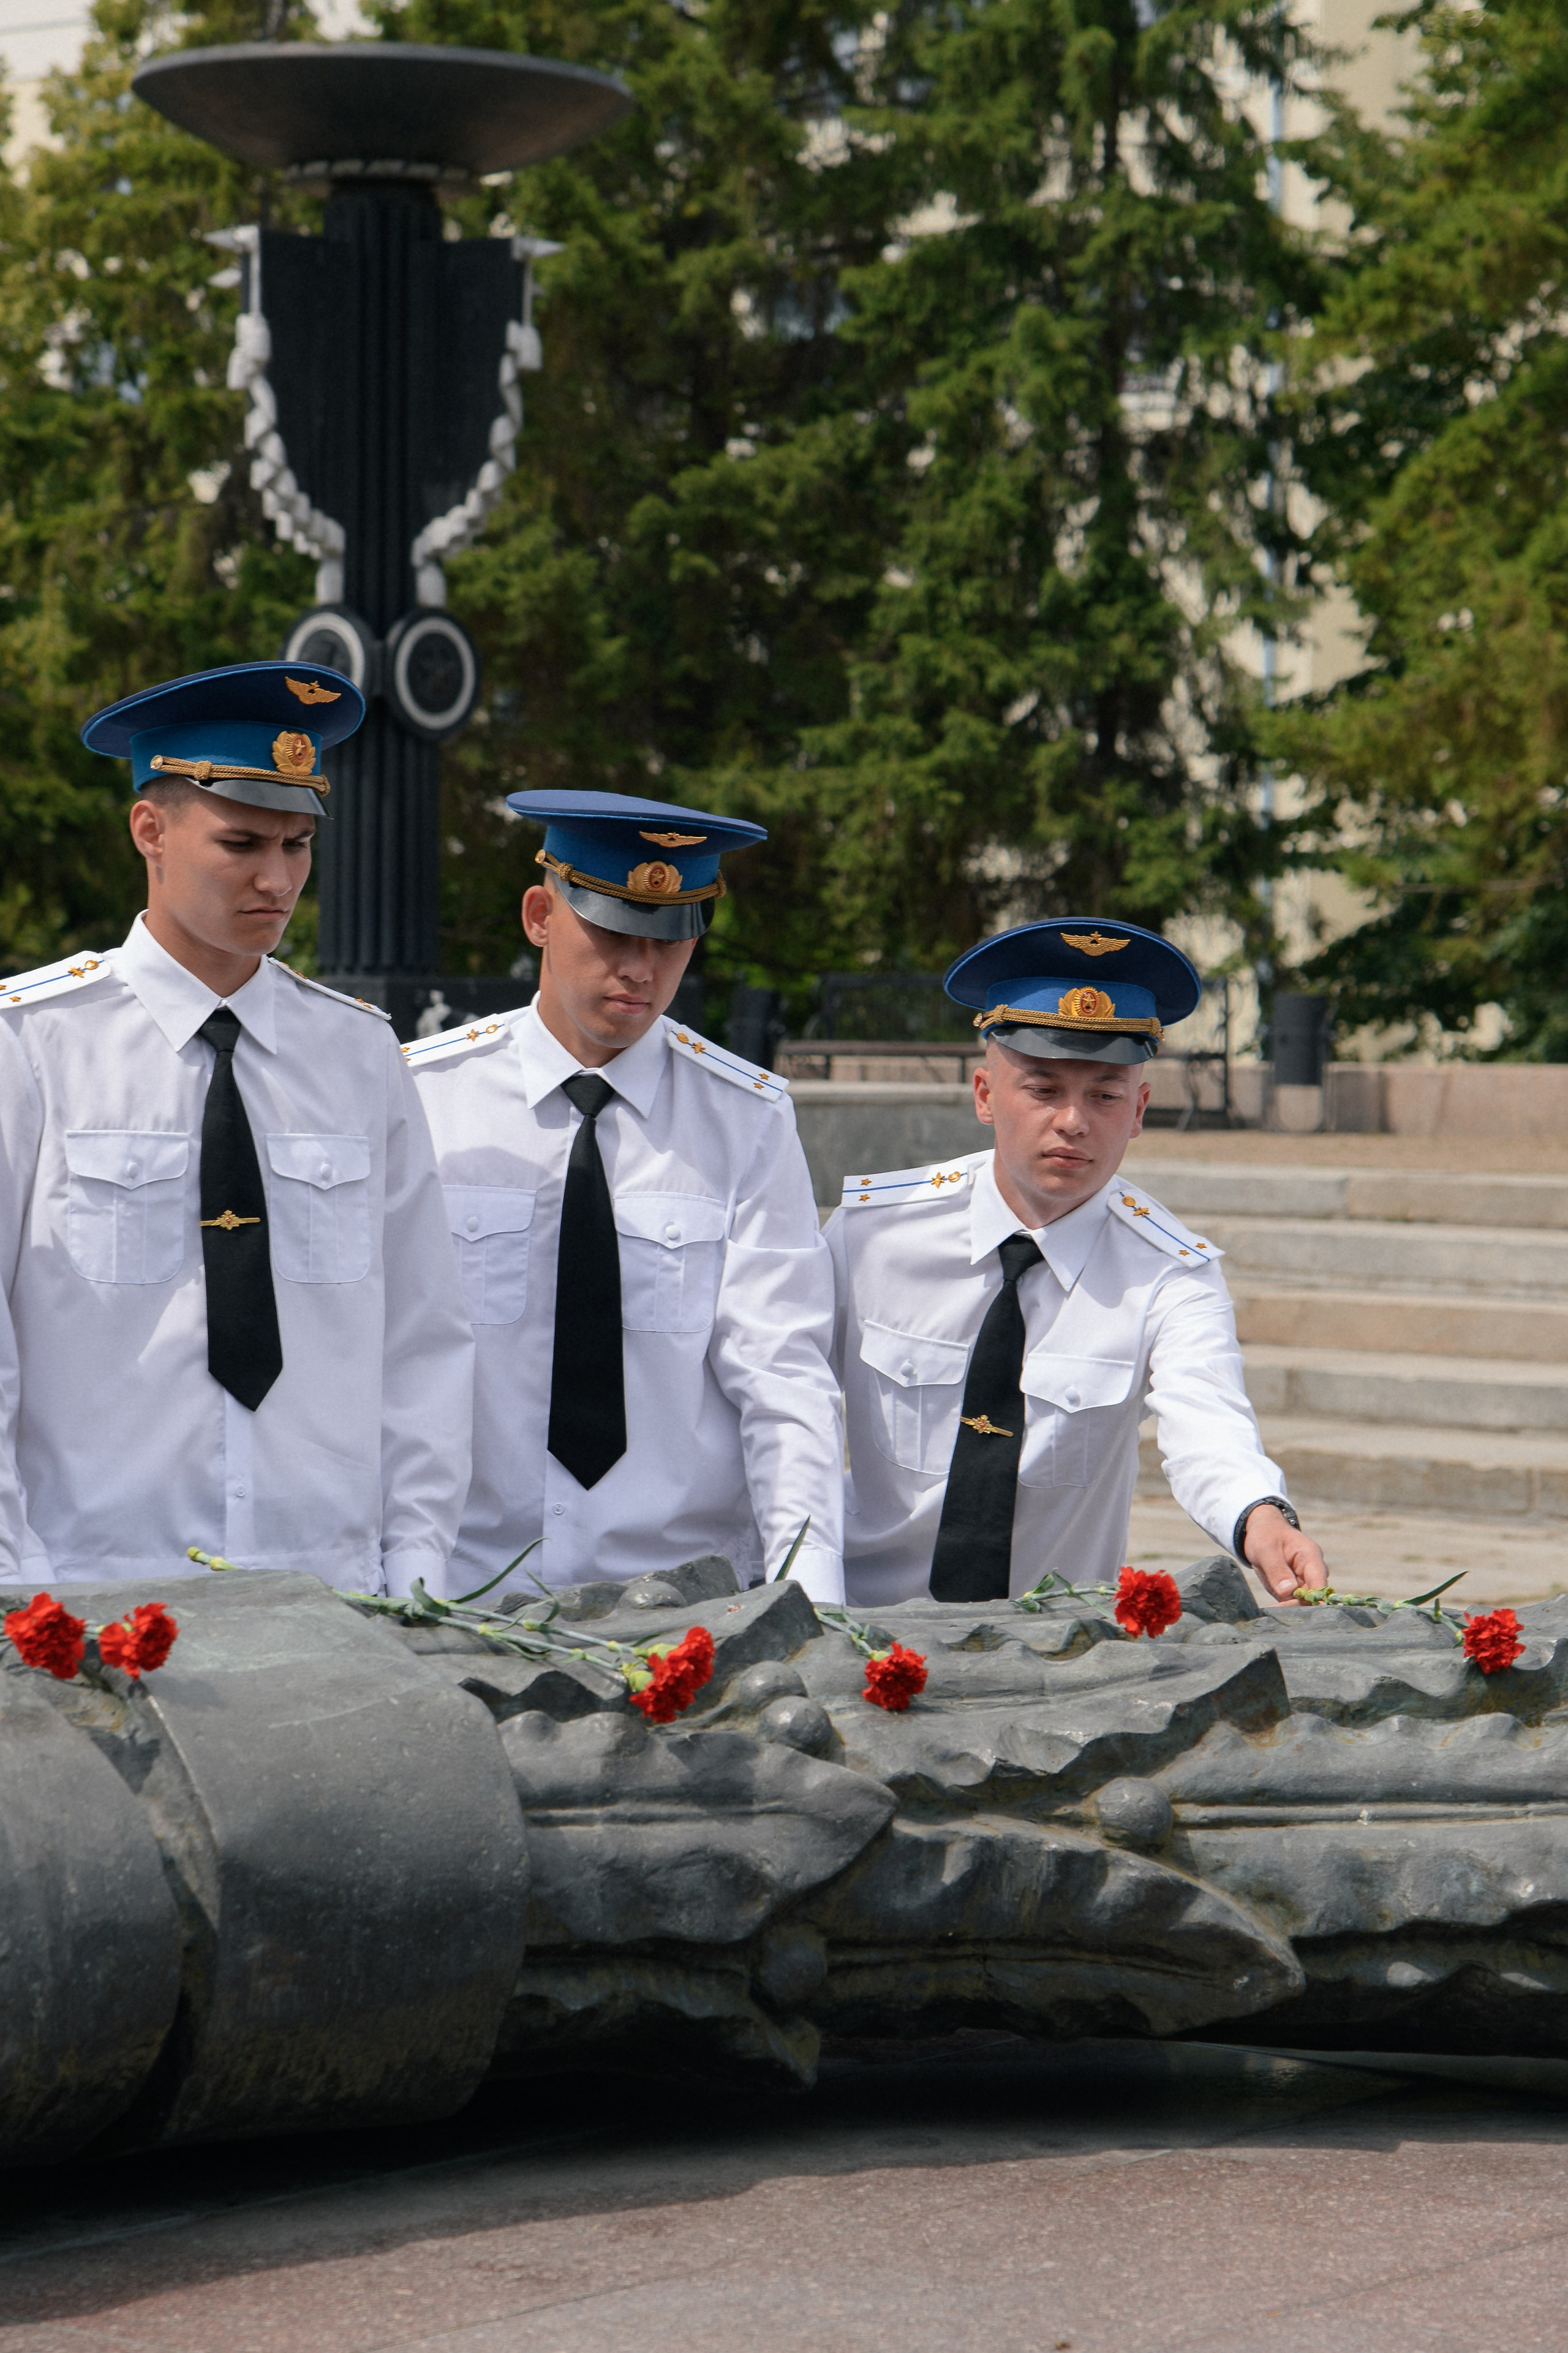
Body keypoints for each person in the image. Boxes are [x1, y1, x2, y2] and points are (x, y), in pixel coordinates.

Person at [0, 662, 474, 1593]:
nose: (278, 878)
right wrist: (21, 1581)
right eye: (242, 842)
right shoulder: (35, 1044)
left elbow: (421, 1335)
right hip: (97, 1589)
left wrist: (415, 1567)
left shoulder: (357, 1052)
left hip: (331, 1588)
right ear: (151, 831)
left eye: (299, 844)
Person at [405, 790, 844, 1602]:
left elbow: (782, 1375)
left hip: (682, 1597)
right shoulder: (427, 1099)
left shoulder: (744, 1119)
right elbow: (394, 1359)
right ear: (540, 916)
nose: (641, 969)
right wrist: (404, 1581)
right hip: (467, 1583)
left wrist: (810, 1590)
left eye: (670, 940)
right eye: (612, 934)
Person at [827, 918, 1329, 1607]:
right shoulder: (874, 1234)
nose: (1073, 1121)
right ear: (984, 1095)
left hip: (1053, 1640)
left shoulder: (1169, 1273)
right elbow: (781, 1396)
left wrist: (1260, 1516)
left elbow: (1208, 1424)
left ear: (1139, 1110)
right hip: (861, 1614)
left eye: (1104, 1095)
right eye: (1043, 1089)